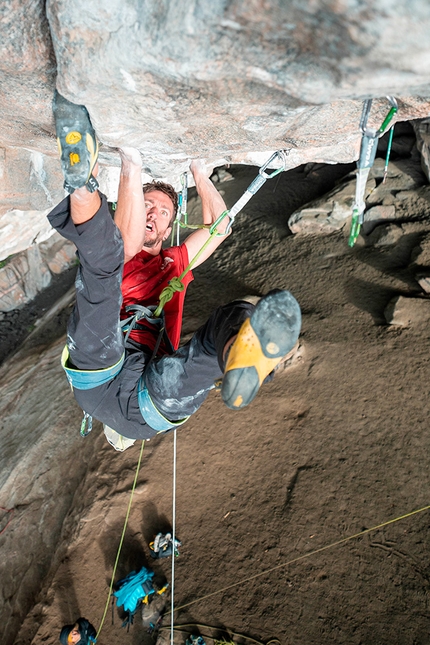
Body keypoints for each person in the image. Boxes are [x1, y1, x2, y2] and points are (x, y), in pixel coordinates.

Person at [48, 92, 301, 448]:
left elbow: (220, 226)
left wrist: (200, 171)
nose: (152, 213)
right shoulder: (127, 244)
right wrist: (132, 168)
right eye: (147, 205)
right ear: (132, 206)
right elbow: (128, 237)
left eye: (163, 212)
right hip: (146, 407)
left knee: (101, 266)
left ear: (169, 229)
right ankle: (237, 356)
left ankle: (79, 184)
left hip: (96, 369)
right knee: (232, 320)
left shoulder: (175, 261)